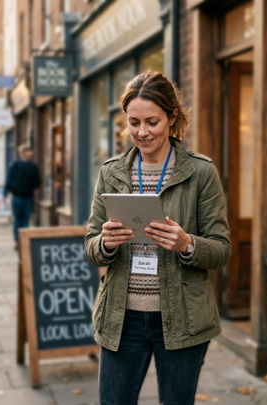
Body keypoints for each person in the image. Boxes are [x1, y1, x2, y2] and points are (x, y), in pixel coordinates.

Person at [84, 71, 231, 405]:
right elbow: (91, 245)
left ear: (172, 116)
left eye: (152, 121)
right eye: (133, 122)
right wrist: (105, 243)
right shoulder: (111, 172)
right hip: (122, 318)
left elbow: (222, 250)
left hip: (182, 318)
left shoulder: (200, 172)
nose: (142, 132)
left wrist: (186, 244)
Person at [3, 145, 41, 246]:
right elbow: (37, 183)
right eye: (30, 153)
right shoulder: (33, 166)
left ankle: (17, 241)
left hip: (17, 196)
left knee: (17, 219)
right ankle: (24, 241)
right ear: (26, 153)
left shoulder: (14, 165)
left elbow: (8, 180)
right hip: (28, 197)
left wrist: (5, 194)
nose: (32, 155)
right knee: (25, 220)